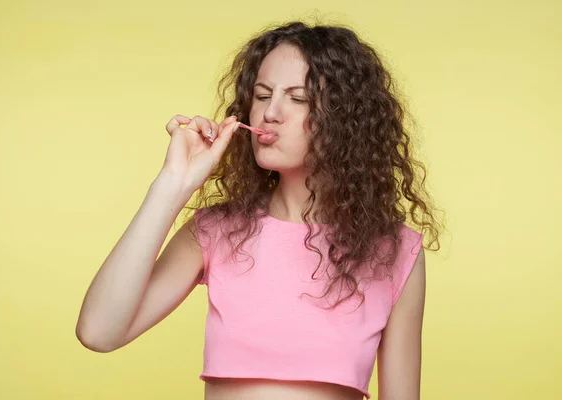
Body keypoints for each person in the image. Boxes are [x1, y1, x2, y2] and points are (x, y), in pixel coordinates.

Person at [76, 20, 442, 400]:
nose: (270, 113)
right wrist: (174, 183)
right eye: (263, 95)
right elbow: (99, 331)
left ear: (346, 120)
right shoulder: (216, 231)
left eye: (298, 99)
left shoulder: (396, 251)